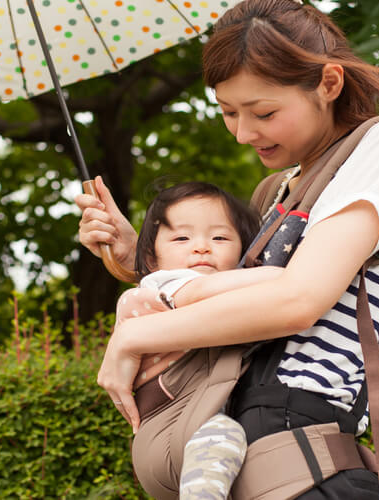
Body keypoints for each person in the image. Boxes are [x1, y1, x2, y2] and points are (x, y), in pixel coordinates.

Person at [75, 0, 379, 497]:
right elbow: (227, 300)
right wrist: (138, 256)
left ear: (329, 84)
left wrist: (133, 337)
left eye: (263, 112)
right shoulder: (277, 192)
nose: (244, 133)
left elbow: (297, 301)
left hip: (302, 444)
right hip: (235, 443)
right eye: (228, 112)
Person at [115, 181, 280, 499]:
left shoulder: (227, 302)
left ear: (243, 252)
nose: (202, 247)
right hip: (172, 430)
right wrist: (297, 276)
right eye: (181, 238)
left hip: (190, 437)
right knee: (226, 435)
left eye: (219, 237)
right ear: (151, 259)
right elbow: (205, 291)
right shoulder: (164, 285)